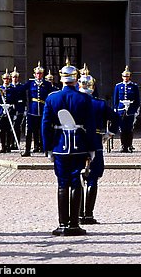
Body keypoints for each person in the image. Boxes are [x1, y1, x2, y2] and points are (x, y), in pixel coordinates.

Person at [42, 58, 96, 236]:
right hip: (79, 145)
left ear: (61, 79)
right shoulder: (84, 98)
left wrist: (48, 147)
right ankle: (74, 224)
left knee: (62, 184)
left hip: (59, 146)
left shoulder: (52, 98)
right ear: (75, 79)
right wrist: (91, 148)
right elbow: (90, 126)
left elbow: (45, 125)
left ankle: (62, 224)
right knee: (76, 183)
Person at [78, 65, 118, 224]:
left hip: (78, 142)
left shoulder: (74, 101)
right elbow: (115, 119)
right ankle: (89, 214)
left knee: (78, 177)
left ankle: (79, 213)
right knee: (93, 178)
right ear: (93, 87)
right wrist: (109, 133)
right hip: (95, 141)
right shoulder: (100, 104)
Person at [22, 62, 55, 156]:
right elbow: (20, 89)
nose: (39, 75)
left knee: (43, 131)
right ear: (34, 74)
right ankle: (27, 150)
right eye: (37, 73)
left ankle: (45, 149)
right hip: (32, 111)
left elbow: (53, 93)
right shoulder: (30, 83)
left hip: (43, 110)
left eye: (40, 73)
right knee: (29, 131)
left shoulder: (47, 84)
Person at [112, 65, 140, 153]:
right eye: (124, 76)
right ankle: (123, 145)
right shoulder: (118, 86)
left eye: (127, 76)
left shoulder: (134, 86)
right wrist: (115, 108)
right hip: (121, 109)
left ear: (130, 77)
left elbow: (137, 99)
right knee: (122, 128)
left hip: (130, 109)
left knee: (130, 128)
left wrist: (136, 109)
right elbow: (115, 98)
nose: (126, 78)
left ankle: (129, 145)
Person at [0, 69, 17, 153]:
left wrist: (15, 112)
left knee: (9, 129)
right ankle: (3, 146)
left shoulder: (13, 89)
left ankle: (8, 146)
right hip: (1, 110)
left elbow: (15, 101)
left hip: (10, 110)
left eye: (7, 79)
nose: (6, 80)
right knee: (2, 130)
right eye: (5, 79)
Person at [10, 67, 26, 151]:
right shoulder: (9, 87)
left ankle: (17, 143)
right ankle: (11, 143)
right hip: (11, 109)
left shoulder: (21, 87)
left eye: (16, 77)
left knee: (17, 127)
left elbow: (24, 98)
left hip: (19, 109)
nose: (15, 79)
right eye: (13, 77)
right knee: (10, 127)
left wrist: (24, 108)